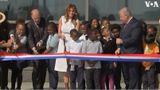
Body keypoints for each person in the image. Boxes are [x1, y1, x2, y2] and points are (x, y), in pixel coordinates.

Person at [115, 7, 143, 89]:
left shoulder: (136, 24)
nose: (120, 19)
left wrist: (122, 42)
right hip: (124, 55)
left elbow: (134, 39)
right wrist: (119, 48)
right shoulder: (124, 25)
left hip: (133, 55)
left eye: (121, 16)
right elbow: (121, 37)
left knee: (134, 78)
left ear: (126, 15)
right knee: (127, 78)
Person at [54, 4, 80, 89]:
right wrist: (61, 36)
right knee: (64, 67)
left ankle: (72, 86)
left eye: (73, 11)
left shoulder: (77, 21)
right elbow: (58, 33)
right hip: (62, 43)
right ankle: (66, 87)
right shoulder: (62, 18)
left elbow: (76, 34)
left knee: (70, 66)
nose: (71, 12)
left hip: (72, 43)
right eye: (70, 10)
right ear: (67, 11)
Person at [27, 9, 48, 89]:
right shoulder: (29, 25)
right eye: (35, 18)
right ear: (32, 17)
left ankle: (41, 86)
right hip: (34, 50)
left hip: (44, 49)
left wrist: (42, 41)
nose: (37, 20)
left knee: (43, 69)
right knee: (36, 68)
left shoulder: (44, 21)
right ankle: (35, 86)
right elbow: (30, 38)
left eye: (38, 18)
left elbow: (46, 33)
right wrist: (33, 49)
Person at [6, 18, 28, 89]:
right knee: (13, 72)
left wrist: (14, 45)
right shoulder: (12, 33)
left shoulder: (25, 37)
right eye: (19, 29)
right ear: (16, 28)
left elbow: (18, 46)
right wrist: (10, 42)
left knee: (19, 73)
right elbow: (10, 34)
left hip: (21, 58)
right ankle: (12, 87)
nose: (21, 31)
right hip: (13, 57)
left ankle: (18, 87)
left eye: (23, 29)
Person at [43, 22, 59, 89]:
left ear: (54, 29)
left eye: (50, 30)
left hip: (53, 56)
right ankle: (51, 85)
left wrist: (43, 54)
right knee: (50, 71)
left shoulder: (56, 36)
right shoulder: (50, 36)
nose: (48, 31)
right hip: (48, 56)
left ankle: (54, 86)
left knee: (53, 71)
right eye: (48, 30)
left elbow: (50, 48)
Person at [0, 11, 11, 89]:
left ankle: (4, 85)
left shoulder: (6, 26)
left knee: (5, 69)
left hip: (4, 52)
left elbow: (9, 38)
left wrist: (8, 46)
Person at [110, 24, 122, 89]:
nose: (115, 33)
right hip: (114, 62)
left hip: (123, 61)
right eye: (114, 32)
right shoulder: (111, 41)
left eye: (117, 31)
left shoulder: (122, 39)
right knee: (115, 79)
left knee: (120, 78)